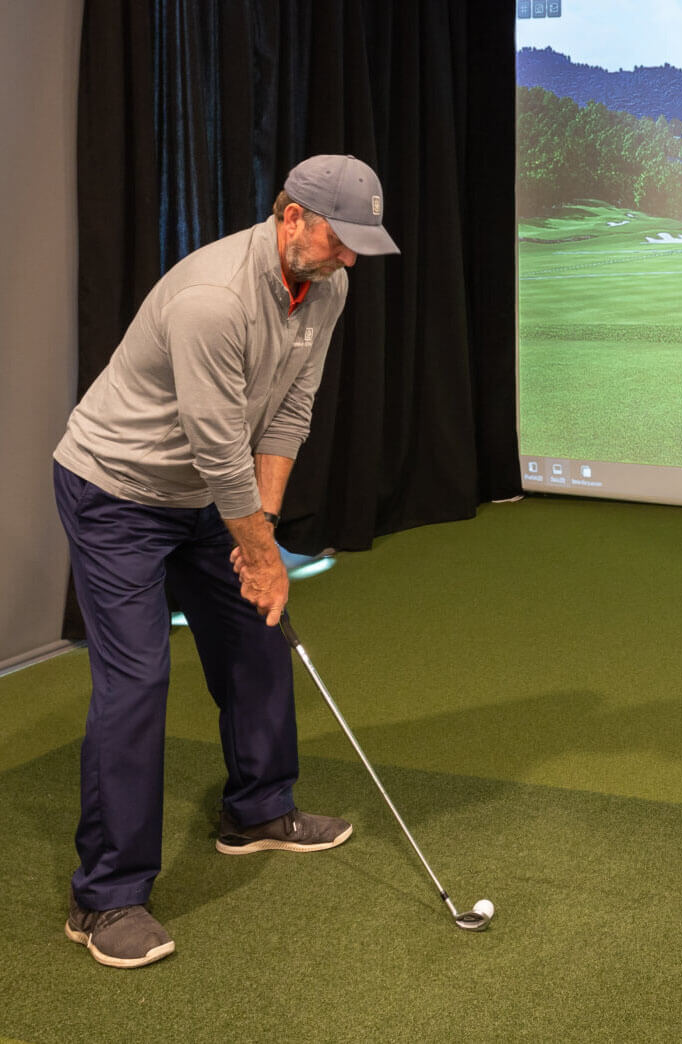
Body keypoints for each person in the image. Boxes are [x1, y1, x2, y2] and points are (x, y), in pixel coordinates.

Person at [53, 155, 400, 968]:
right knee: (136, 681)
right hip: (117, 493)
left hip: (212, 495)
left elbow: (288, 413)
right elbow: (216, 448)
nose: (347, 258)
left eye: (357, 246)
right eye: (337, 239)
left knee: (255, 635)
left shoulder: (327, 285)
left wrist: (263, 536)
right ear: (290, 216)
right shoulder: (213, 300)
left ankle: (258, 810)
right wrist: (260, 552)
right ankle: (103, 899)